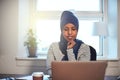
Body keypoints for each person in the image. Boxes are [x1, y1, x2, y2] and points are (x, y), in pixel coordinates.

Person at [46, 10, 96, 75]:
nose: (70, 33)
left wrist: (70, 51)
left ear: (77, 30)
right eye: (66, 29)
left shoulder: (84, 48)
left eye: (73, 29)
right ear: (61, 30)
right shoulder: (53, 47)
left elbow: (80, 73)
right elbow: (50, 71)